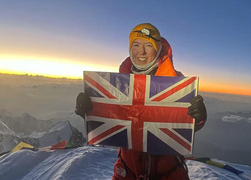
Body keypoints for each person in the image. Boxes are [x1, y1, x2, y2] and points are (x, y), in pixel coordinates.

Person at [75, 23, 207, 180]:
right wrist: (90, 112)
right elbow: (114, 119)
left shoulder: (177, 85)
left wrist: (198, 118)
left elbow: (183, 128)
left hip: (169, 173)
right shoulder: (117, 84)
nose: (141, 52)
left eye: (148, 45)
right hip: (127, 170)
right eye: (136, 45)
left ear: (158, 49)